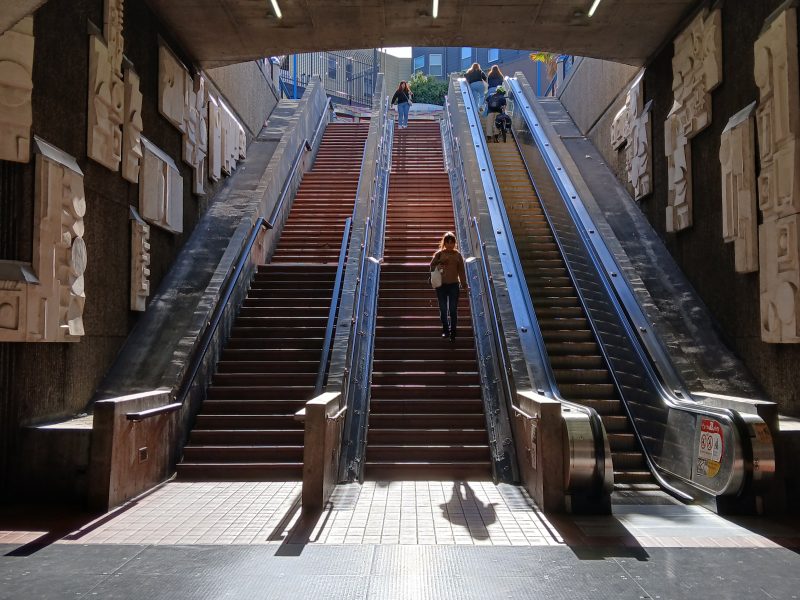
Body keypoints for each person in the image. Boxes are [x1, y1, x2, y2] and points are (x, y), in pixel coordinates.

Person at [430, 231, 469, 342]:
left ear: (455, 243)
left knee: (452, 310)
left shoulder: (458, 255)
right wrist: (440, 262)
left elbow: (461, 271)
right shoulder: (439, 254)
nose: (450, 245)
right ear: (444, 243)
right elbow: (431, 266)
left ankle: (453, 333)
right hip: (441, 286)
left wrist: (464, 284)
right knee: (443, 310)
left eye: (452, 242)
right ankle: (446, 331)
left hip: (454, 286)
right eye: (448, 243)